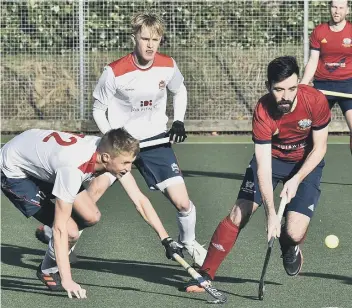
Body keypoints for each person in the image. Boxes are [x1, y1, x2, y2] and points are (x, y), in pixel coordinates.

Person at [184, 56, 331, 292]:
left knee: (294, 231)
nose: (286, 96)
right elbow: (263, 164)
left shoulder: (315, 100)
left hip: (305, 163)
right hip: (272, 161)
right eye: (279, 89)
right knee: (239, 212)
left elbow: (320, 147)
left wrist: (296, 179)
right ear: (268, 86)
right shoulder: (263, 111)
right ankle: (206, 273)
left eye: (292, 88)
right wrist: (270, 213)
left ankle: (289, 244)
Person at [1, 128, 183, 298]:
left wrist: (165, 238)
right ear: (105, 158)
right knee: (69, 231)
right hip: (15, 171)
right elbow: (59, 228)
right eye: (126, 163)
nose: (129, 168)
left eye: (131, 162)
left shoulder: (110, 153)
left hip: (41, 159)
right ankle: (48, 271)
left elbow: (140, 200)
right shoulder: (73, 168)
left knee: (91, 216)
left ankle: (48, 265)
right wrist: (68, 279)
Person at [91, 12, 207, 266]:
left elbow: (180, 90)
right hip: (121, 145)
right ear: (134, 37)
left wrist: (178, 120)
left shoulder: (168, 65)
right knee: (91, 196)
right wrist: (112, 142)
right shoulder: (114, 72)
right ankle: (59, 241)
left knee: (183, 203)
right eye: (145, 38)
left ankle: (189, 241)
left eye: (156, 39)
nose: (150, 45)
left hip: (156, 142)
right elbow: (98, 110)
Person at [301, 0, 352, 154]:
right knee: (312, 131)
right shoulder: (319, 31)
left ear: (347, 10)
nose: (337, 11)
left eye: (341, 8)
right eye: (334, 7)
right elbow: (313, 60)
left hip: (347, 85)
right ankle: (307, 171)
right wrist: (302, 85)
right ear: (330, 8)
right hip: (322, 86)